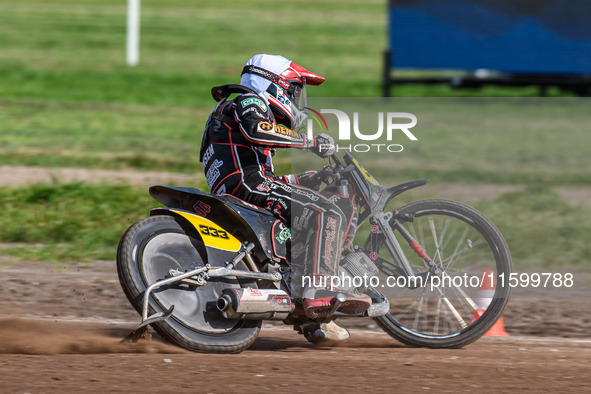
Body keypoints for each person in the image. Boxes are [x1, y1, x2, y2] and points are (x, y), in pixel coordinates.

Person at [199, 54, 371, 343]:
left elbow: (260, 170)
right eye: (294, 90)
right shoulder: (248, 101)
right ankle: (320, 289)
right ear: (271, 83)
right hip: (248, 186)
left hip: (242, 185)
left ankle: (310, 318)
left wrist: (310, 178)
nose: (297, 98)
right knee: (326, 211)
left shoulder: (233, 109)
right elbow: (259, 132)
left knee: (308, 210)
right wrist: (310, 142)